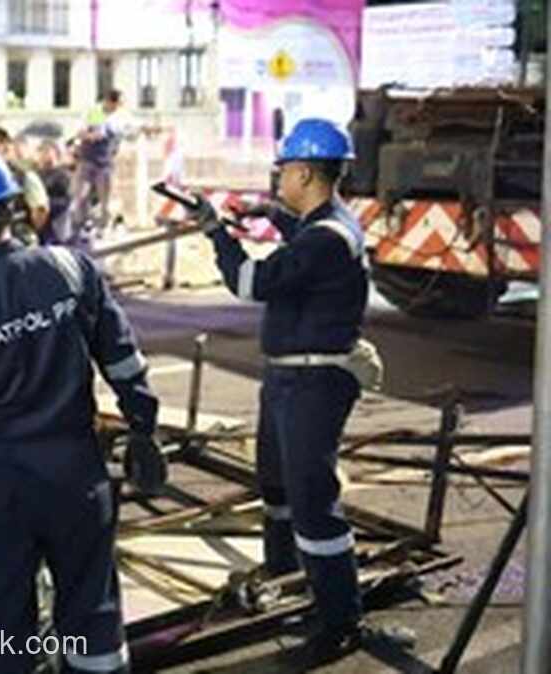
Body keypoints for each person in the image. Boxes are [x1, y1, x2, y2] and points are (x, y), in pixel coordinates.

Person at [0, 138, 165, 674]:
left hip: (1, 489)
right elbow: (123, 359)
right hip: (80, 477)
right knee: (93, 616)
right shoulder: (72, 269)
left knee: (7, 631)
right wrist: (144, 426)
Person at [188, 118, 409, 666]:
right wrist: (275, 217)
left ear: (306, 172)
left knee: (313, 505)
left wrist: (218, 233)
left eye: (284, 170)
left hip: (313, 383)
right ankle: (287, 583)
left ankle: (339, 620)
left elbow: (251, 284)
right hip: (289, 378)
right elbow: (304, 238)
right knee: (278, 491)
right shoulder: (325, 225)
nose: (278, 177)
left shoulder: (326, 239)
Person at [69, 89, 131, 239]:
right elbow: (82, 132)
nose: (117, 108)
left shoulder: (119, 118)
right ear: (109, 102)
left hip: (105, 162)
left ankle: (103, 227)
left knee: (106, 199)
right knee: (81, 195)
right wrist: (89, 136)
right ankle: (79, 227)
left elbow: (125, 133)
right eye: (116, 105)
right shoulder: (95, 112)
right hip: (88, 159)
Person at [0, 127, 49, 244]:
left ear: (4, 146)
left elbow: (40, 209)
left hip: (21, 239)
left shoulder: (24, 176)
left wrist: (26, 228)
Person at [35, 140, 73, 245]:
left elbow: (66, 201)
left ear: (56, 153)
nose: (43, 155)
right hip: (39, 225)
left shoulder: (63, 175)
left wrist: (46, 203)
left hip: (56, 227)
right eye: (41, 151)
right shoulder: (37, 174)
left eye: (47, 151)